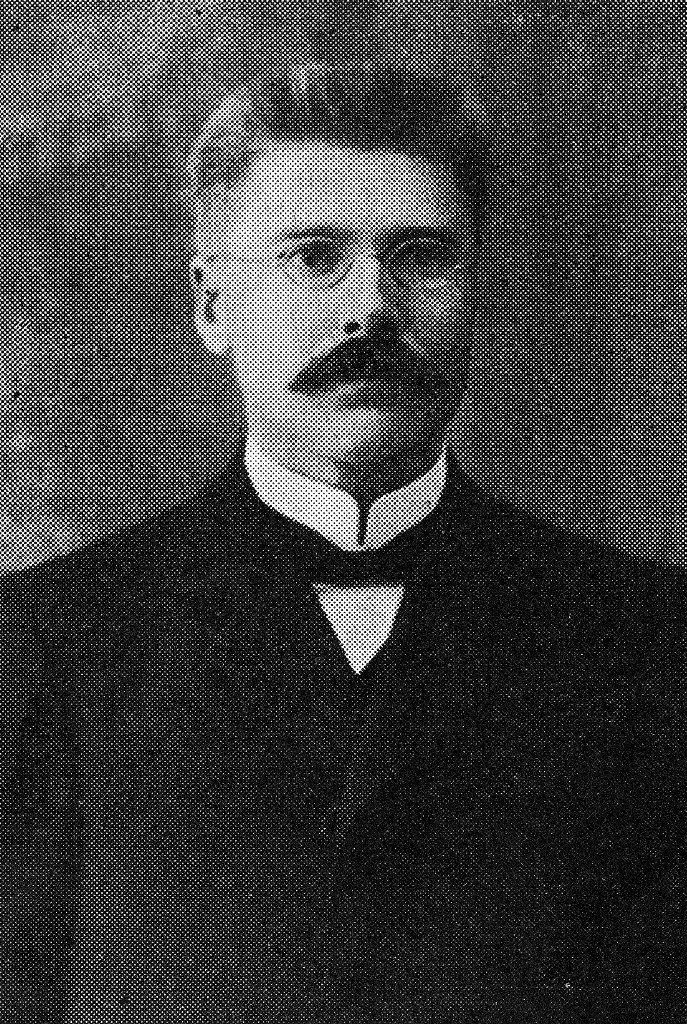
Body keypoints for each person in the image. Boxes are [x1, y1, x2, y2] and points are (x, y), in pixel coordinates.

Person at [1, 64, 685, 1023]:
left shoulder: (650, 637)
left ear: (477, 292)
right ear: (211, 306)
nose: (371, 306)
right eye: (313, 256)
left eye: (421, 255)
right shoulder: (40, 642)